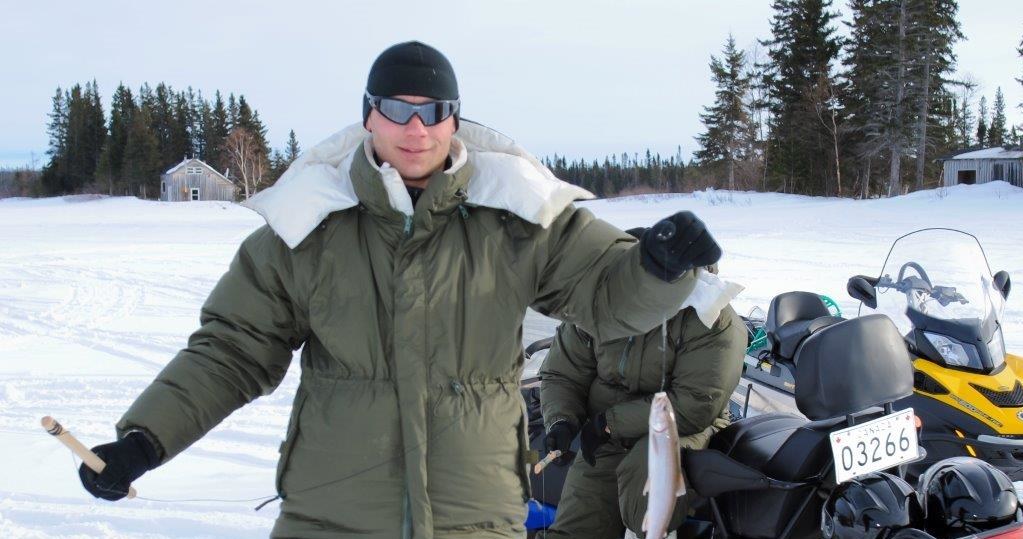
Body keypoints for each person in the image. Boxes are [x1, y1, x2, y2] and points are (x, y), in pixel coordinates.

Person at [77, 41, 724, 539]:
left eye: (433, 113)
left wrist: (659, 267)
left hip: (475, 514)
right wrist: (144, 439)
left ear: (453, 121)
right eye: (397, 110)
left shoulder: (520, 219)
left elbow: (608, 297)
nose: (416, 130)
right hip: (329, 512)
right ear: (368, 116)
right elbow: (232, 349)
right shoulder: (309, 224)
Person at [540, 230, 746, 539]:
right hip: (605, 433)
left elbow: (694, 404)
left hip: (680, 429)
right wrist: (561, 420)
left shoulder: (711, 318)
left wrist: (609, 423)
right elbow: (563, 372)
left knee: (643, 470)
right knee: (575, 528)